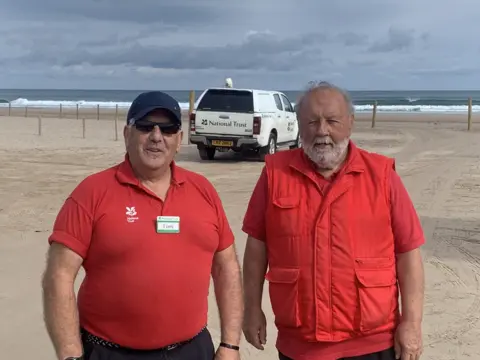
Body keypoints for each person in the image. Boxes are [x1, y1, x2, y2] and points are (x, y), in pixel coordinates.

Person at [42, 91, 244, 360]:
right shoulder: (92, 192)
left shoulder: (203, 191)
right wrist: (70, 354)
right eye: (146, 126)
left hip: (192, 351)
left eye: (168, 128)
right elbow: (59, 276)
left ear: (179, 139)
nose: (157, 136)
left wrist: (230, 344)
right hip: (109, 352)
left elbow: (227, 266)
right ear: (127, 134)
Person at [242, 82, 425, 360]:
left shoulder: (383, 176)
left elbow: (408, 253)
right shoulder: (274, 174)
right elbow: (256, 249)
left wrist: (411, 323)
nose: (322, 131)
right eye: (312, 122)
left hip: (373, 343)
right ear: (299, 126)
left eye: (332, 120)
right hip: (299, 345)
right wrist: (252, 308)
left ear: (350, 123)